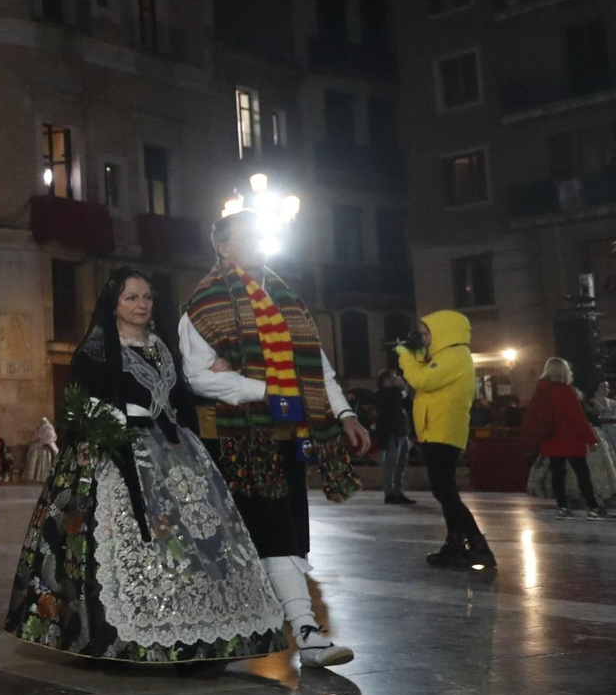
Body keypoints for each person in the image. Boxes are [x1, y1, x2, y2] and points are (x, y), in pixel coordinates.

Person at [6, 269, 286, 663]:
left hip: (175, 451)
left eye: (147, 298)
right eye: (131, 298)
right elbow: (82, 401)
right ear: (114, 305)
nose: (141, 305)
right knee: (126, 541)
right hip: (117, 452)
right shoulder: (96, 349)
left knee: (197, 541)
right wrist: (92, 438)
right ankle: (128, 637)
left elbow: (184, 392)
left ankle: (200, 631)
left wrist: (215, 373)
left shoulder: (162, 345)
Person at [181, 211, 372, 669]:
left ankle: (297, 630)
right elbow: (199, 378)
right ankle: (279, 632)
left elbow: (316, 367)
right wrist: (267, 391)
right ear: (222, 248)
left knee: (282, 534)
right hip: (235, 443)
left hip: (285, 439)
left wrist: (344, 412)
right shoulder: (204, 305)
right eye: (245, 238)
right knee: (244, 540)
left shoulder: (289, 302)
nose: (257, 244)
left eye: (260, 236)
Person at [395, 312, 486, 569]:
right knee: (444, 490)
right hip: (436, 430)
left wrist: (404, 355)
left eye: (427, 333)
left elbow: (423, 378)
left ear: (443, 332)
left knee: (444, 490)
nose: (424, 338)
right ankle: (455, 543)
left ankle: (478, 545)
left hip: (443, 431)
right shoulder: (446, 356)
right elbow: (425, 368)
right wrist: (413, 352)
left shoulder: (455, 356)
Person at [522, 358, 607, 518]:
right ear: (564, 371)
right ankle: (593, 507)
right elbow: (577, 418)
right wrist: (591, 439)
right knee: (582, 473)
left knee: (557, 474)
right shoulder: (565, 391)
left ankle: (562, 507)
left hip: (550, 438)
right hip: (570, 439)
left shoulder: (541, 390)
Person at [372, 369, 418, 505]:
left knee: (401, 464)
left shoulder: (398, 393)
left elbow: (410, 406)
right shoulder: (380, 394)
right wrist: (401, 390)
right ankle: (389, 493)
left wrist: (403, 391)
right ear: (385, 380)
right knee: (391, 463)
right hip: (390, 433)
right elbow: (390, 405)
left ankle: (398, 492)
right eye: (394, 377)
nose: (397, 378)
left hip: (402, 432)